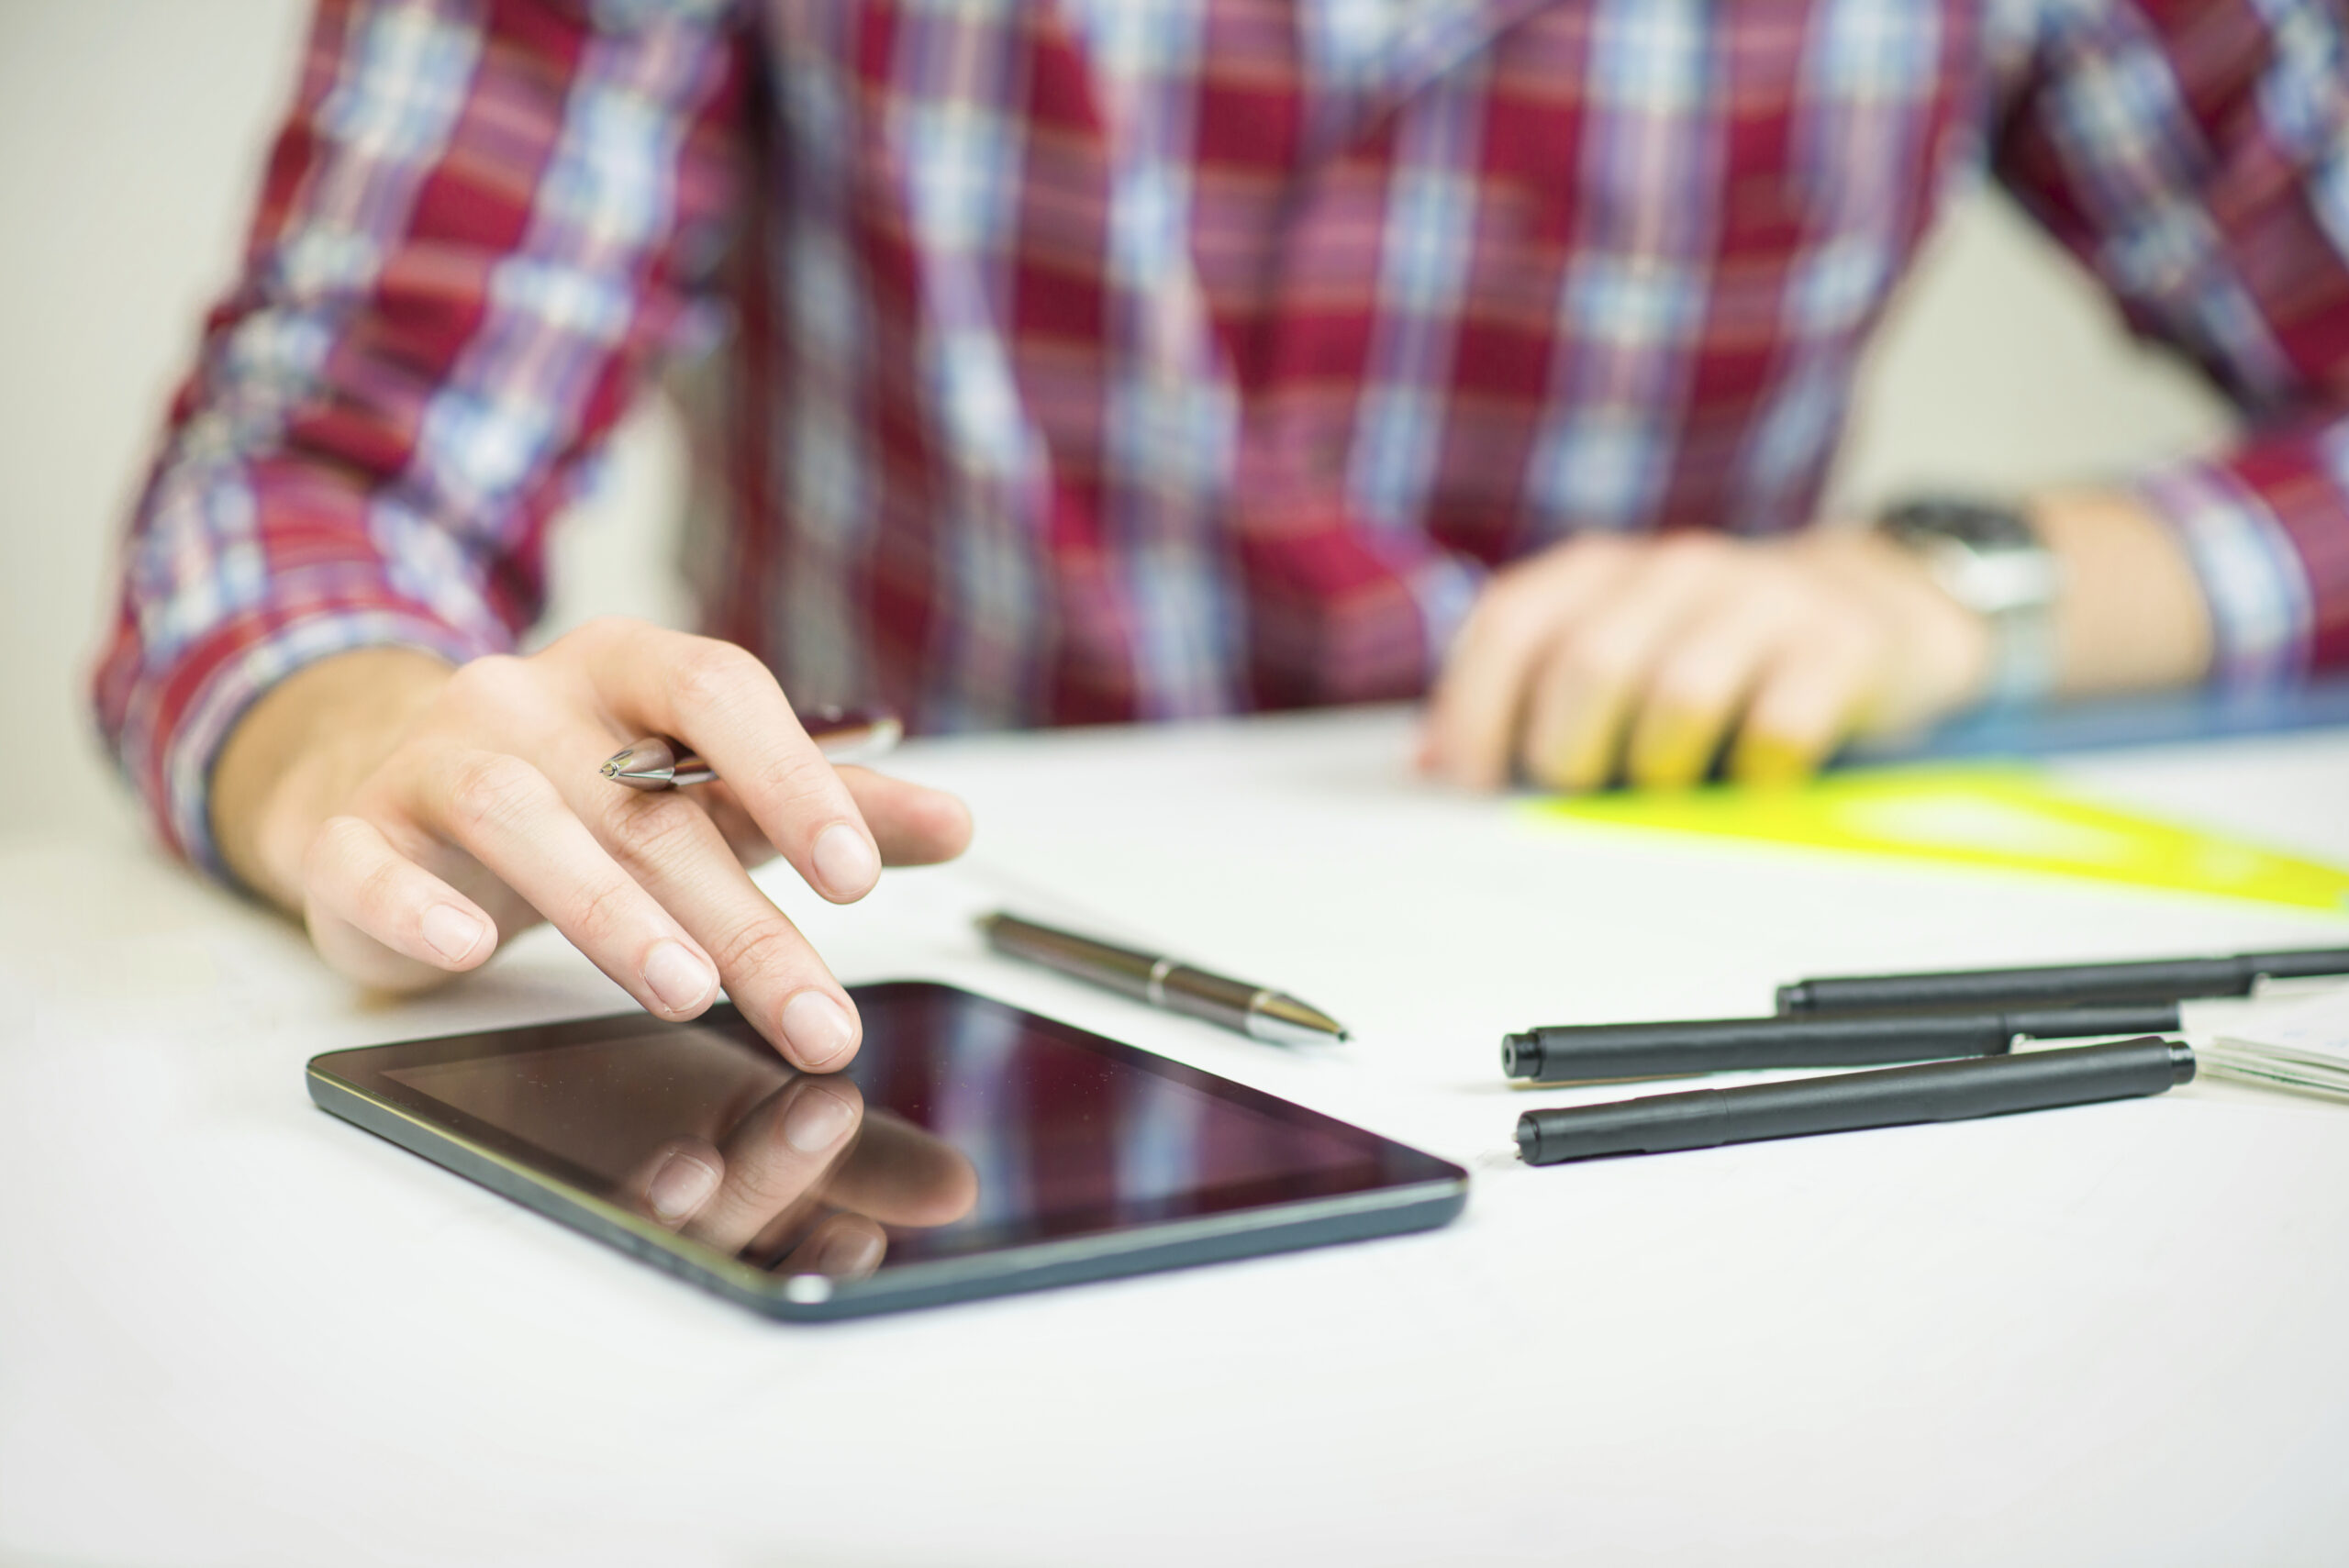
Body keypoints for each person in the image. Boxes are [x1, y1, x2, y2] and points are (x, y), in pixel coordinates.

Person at [95, 0, 2349, 1075]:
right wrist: (370, 750)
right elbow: (313, 481)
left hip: (1671, 1024)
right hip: (884, 1024)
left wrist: (1959, 596)